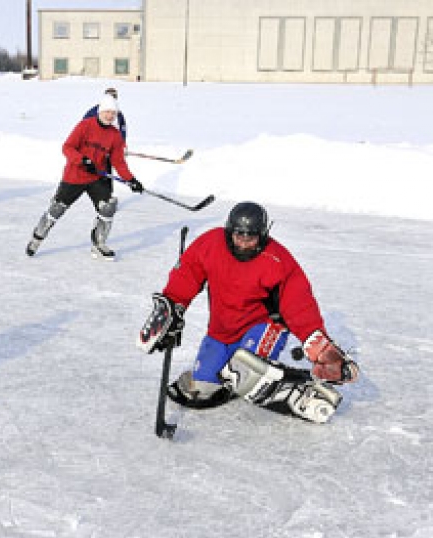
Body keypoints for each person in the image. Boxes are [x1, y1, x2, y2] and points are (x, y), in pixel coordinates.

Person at [137, 202, 359, 424]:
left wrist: (318, 345)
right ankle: (249, 376)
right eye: (238, 235)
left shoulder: (276, 259)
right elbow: (187, 274)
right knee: (204, 386)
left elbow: (299, 302)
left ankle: (298, 390)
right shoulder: (211, 243)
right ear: (229, 230)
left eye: (250, 237)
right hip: (221, 330)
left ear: (262, 235)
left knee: (245, 368)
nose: (243, 242)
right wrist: (173, 308)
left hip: (263, 325)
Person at [26, 94, 143, 260]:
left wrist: (131, 179)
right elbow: (67, 147)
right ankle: (37, 238)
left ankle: (99, 244)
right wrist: (82, 160)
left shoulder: (115, 135)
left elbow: (118, 161)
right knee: (57, 208)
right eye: (107, 112)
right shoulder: (85, 126)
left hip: (97, 177)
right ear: (100, 111)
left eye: (113, 113)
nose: (110, 116)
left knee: (108, 207)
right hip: (75, 175)